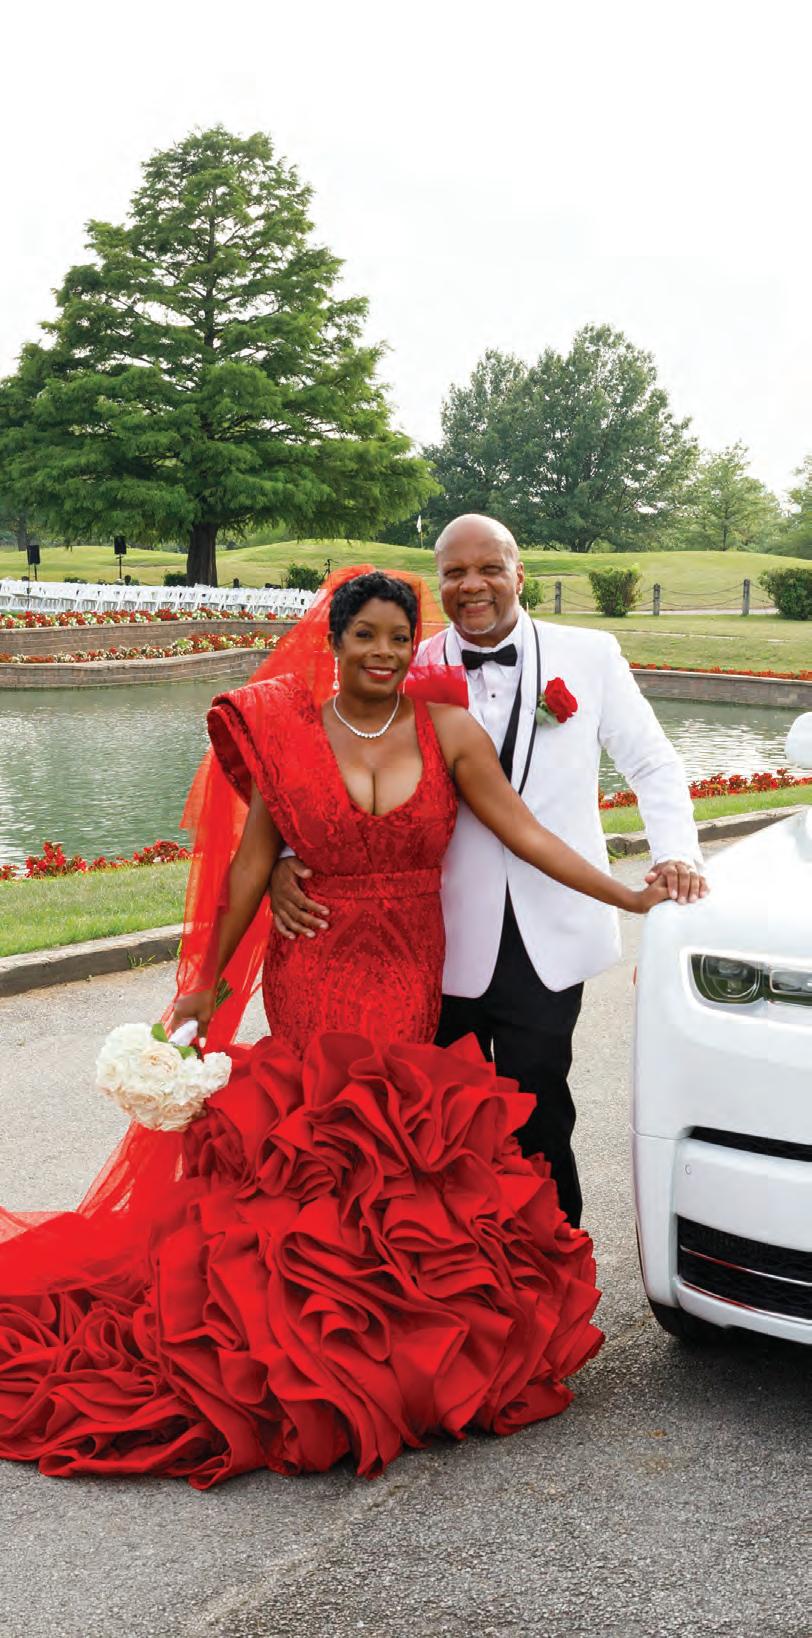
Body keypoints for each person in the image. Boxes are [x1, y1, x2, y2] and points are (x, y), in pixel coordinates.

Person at [0, 570, 671, 1491]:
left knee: (397, 1153)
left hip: (409, 969)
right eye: (367, 637)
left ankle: (392, 1350)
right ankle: (304, 1359)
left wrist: (626, 895)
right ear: (337, 643)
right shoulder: (285, 732)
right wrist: (205, 988)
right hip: (314, 965)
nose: (384, 653)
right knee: (315, 1147)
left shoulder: (447, 727)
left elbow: (525, 832)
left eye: (399, 637)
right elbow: (250, 867)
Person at [271, 523, 707, 1227]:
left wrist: (677, 853)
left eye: (489, 568)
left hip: (553, 926)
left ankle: (556, 1258)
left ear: (519, 574)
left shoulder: (589, 655)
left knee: (538, 1105)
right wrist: (287, 860)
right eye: (454, 572)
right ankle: (458, 1264)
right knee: (442, 1117)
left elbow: (652, 763)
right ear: (438, 582)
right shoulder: (405, 661)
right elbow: (337, 761)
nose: (472, 585)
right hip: (431, 937)